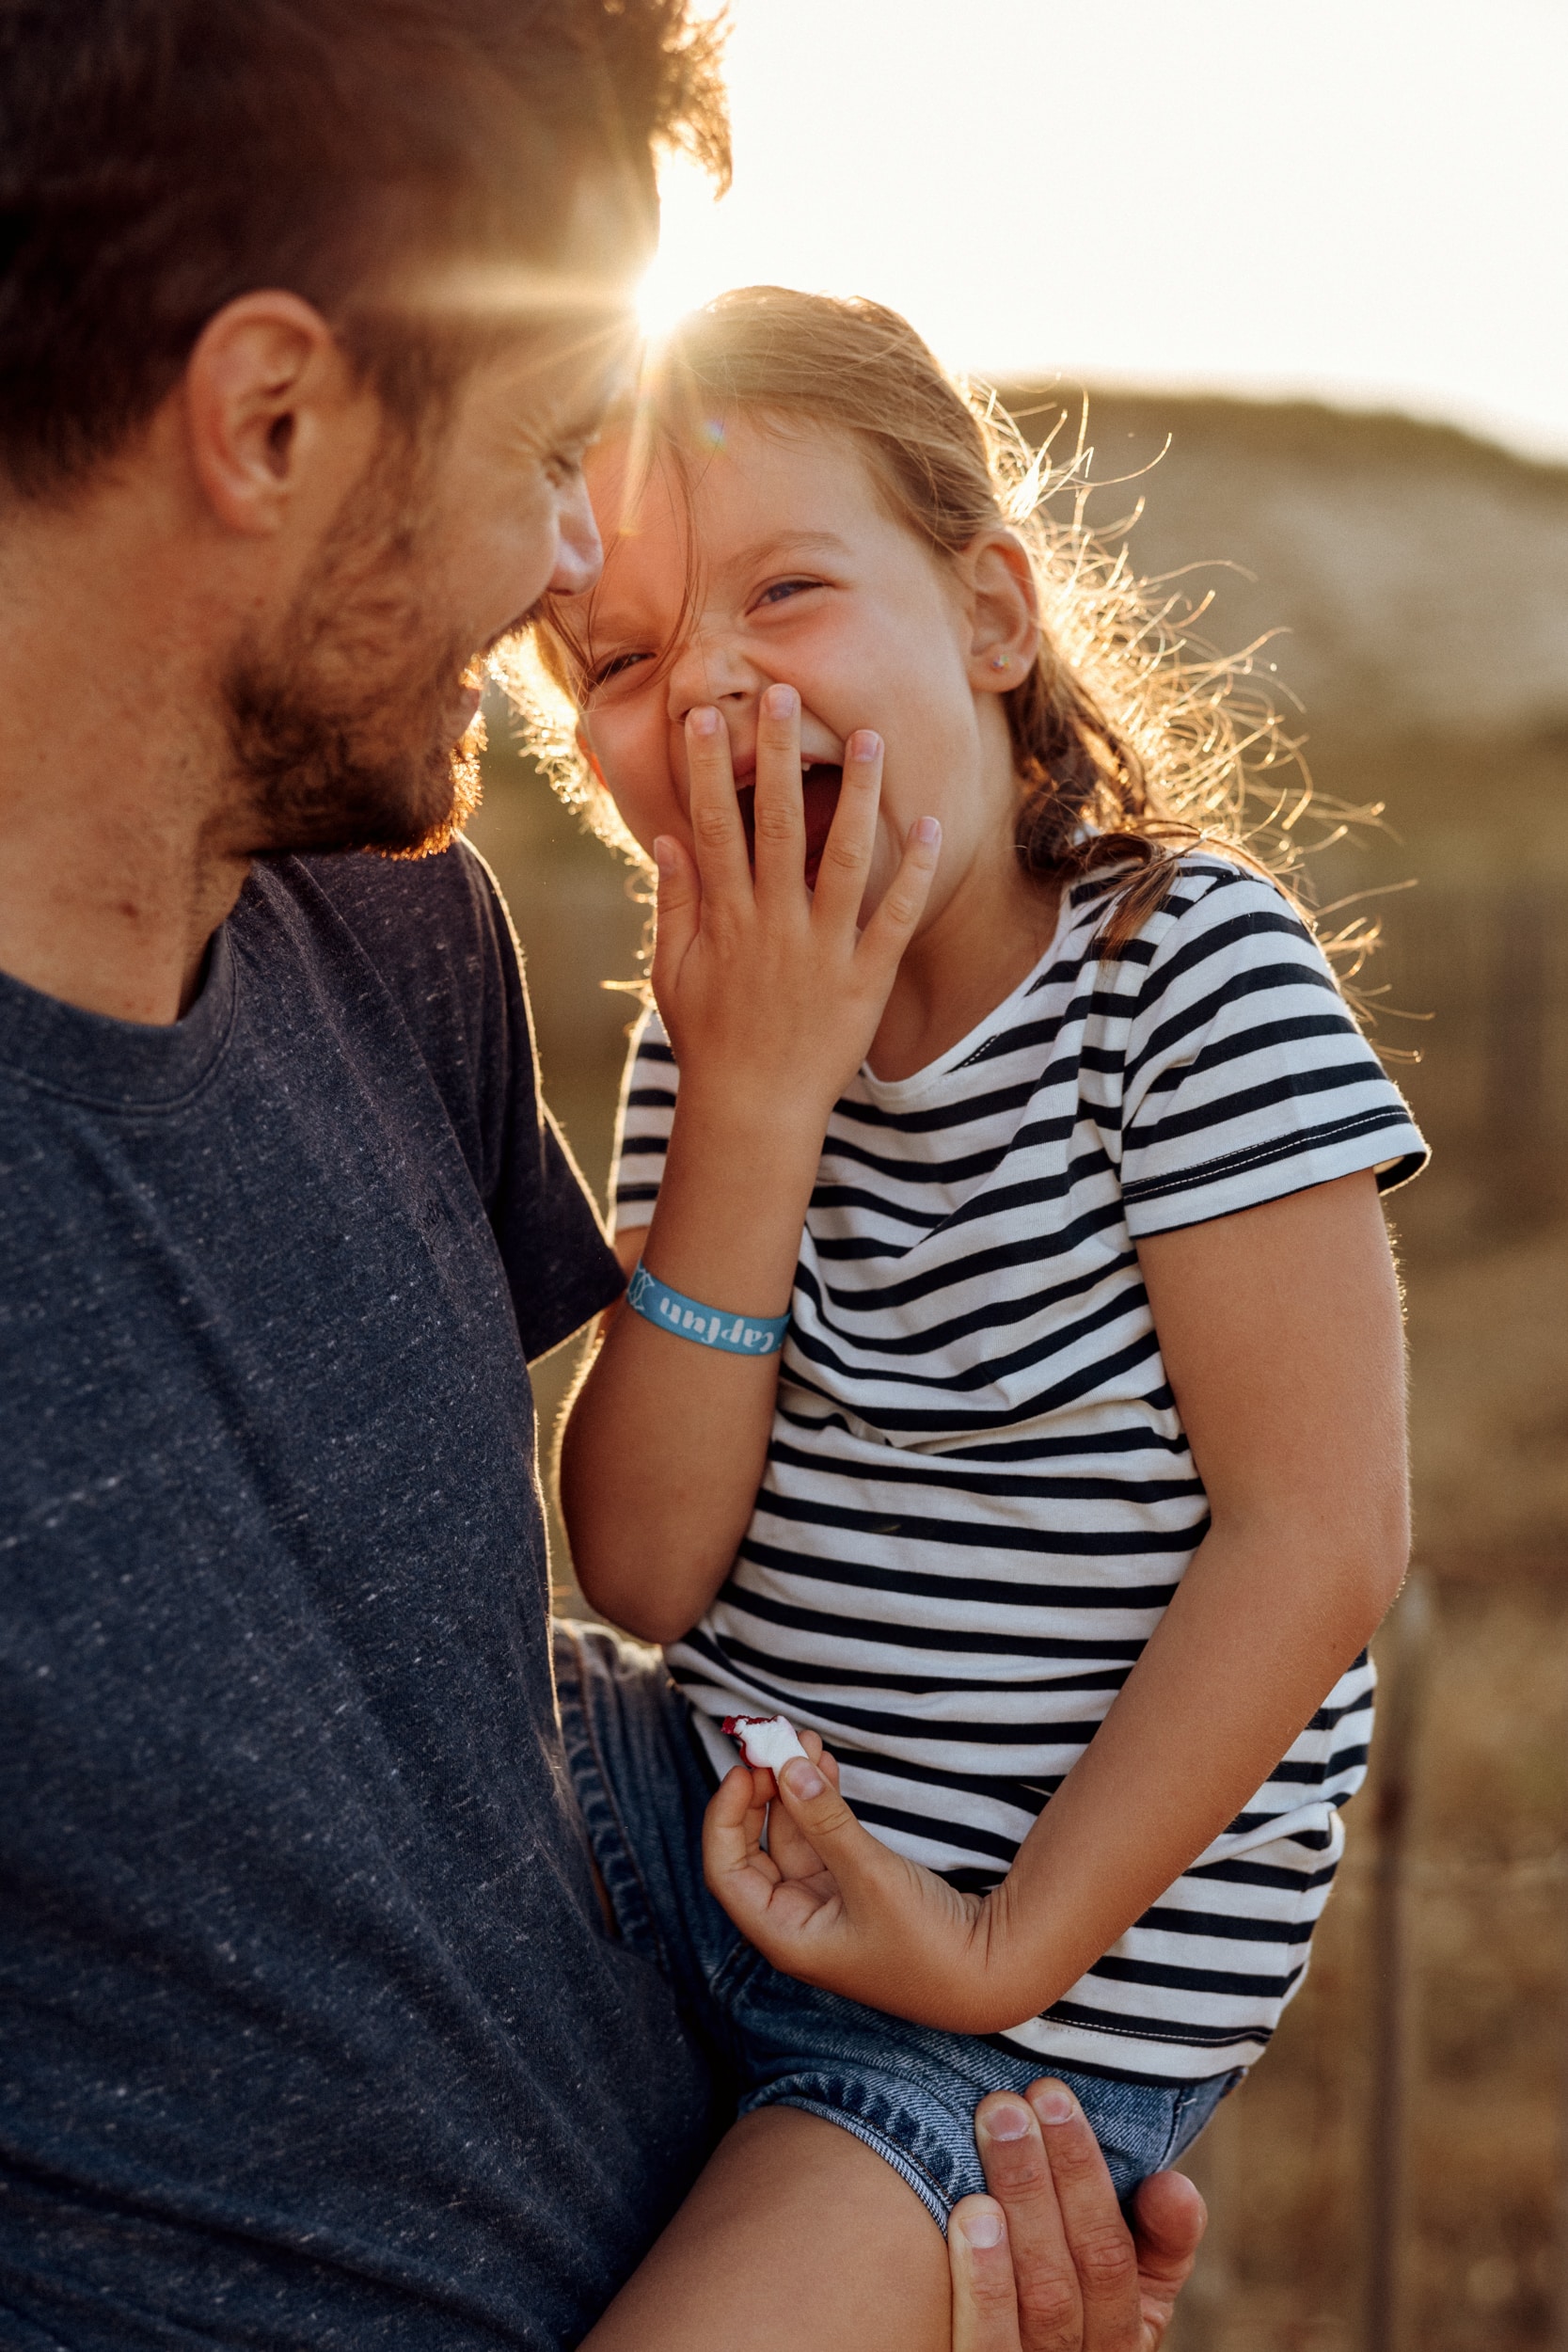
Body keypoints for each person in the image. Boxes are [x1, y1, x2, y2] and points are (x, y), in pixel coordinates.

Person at [0, 7, 1206, 2346]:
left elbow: (456, 1720)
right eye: (555, 451)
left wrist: (922, 2198)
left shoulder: (391, 926)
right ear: (268, 418)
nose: (573, 556)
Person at [530, 287, 1428, 2346]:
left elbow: (1324, 1531)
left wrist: (990, 1943)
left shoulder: (1185, 979)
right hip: (717, 1829)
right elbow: (654, 1562)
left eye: (788, 588)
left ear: (994, 615)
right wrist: (750, 1099)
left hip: (1021, 2013)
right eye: (625, 656)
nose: (716, 684)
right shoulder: (720, 1024)